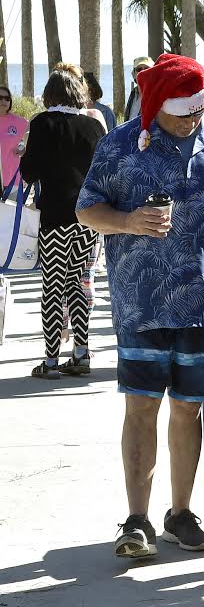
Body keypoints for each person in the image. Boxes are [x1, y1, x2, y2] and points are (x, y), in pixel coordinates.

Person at [76, 53, 204, 559]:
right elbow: (86, 208)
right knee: (141, 407)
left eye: (200, 110)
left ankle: (180, 513)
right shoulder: (118, 145)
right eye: (184, 112)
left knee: (189, 411)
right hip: (142, 304)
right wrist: (128, 222)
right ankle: (136, 519)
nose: (194, 120)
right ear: (155, 106)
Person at [20, 69, 107, 378]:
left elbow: (29, 172)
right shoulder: (94, 126)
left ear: (50, 94)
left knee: (53, 286)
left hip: (55, 217)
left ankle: (52, 360)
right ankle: (81, 353)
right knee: (79, 285)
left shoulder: (42, 124)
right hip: (89, 217)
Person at [0, 85, 30, 187]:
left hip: (12, 180)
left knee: (10, 204)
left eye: (7, 98)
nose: (4, 101)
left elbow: (31, 141)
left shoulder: (20, 122)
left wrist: (23, 148)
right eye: (0, 98)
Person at [123, 56, 153, 120]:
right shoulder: (133, 93)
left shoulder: (157, 95)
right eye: (139, 69)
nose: (142, 72)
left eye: (147, 69)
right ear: (133, 74)